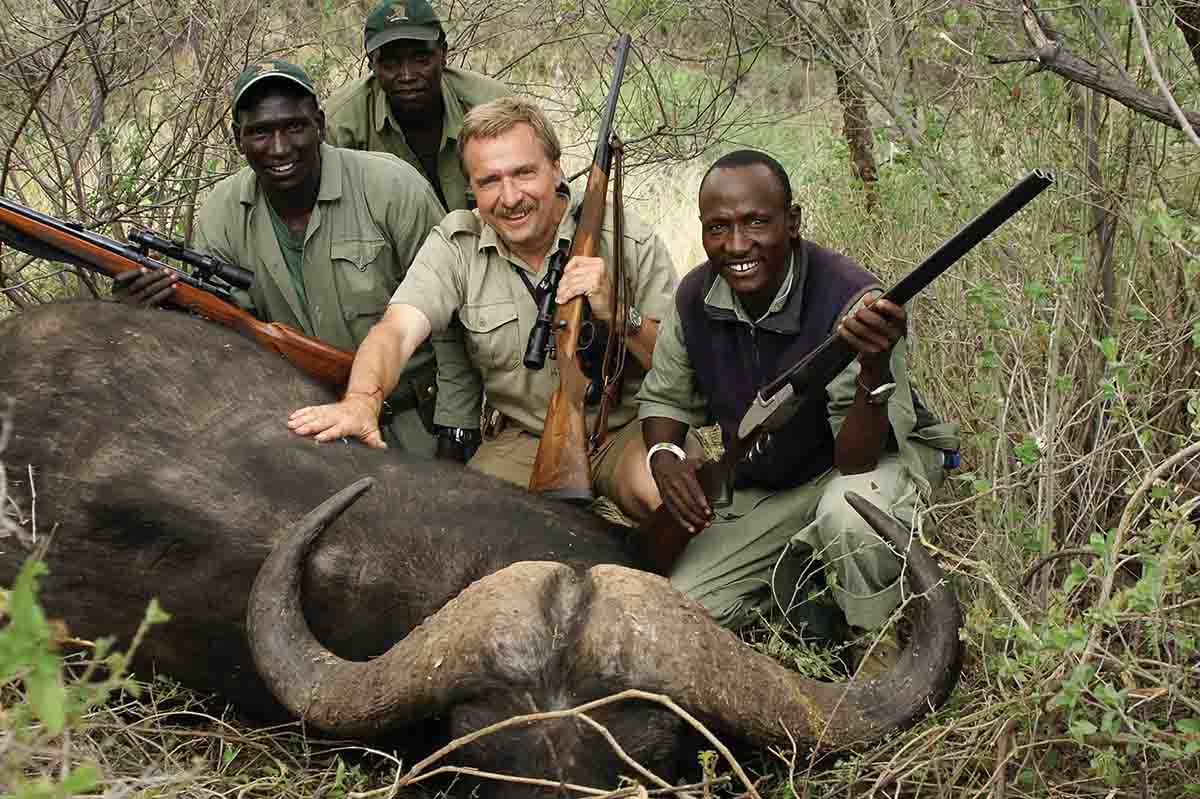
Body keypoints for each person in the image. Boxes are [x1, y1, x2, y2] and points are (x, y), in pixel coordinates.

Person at [287, 97, 682, 523]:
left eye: (524, 173)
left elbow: (680, 367)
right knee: (459, 529)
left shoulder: (626, 236)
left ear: (555, 166)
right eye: (489, 181)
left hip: (627, 429)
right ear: (470, 189)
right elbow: (396, 331)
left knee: (668, 499)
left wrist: (620, 315)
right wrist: (361, 401)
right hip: (525, 437)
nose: (510, 197)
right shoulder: (457, 244)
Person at [637, 150, 959, 673]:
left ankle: (877, 651)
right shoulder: (694, 295)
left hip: (859, 465)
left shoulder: (852, 299)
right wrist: (666, 456)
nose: (736, 245)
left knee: (849, 512)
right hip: (769, 485)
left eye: (756, 222)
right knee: (685, 608)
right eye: (717, 227)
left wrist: (873, 368)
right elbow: (665, 399)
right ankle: (802, 596)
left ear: (793, 222)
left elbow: (857, 459)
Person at [115, 60, 479, 457]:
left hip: (415, 423)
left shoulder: (392, 187)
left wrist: (456, 429)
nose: (279, 148)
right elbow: (222, 335)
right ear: (238, 139)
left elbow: (454, 318)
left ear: (320, 124)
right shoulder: (221, 212)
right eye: (260, 132)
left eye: (293, 127)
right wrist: (149, 318)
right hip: (300, 430)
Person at [324, 0, 510, 213]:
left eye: (421, 59)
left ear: (443, 54)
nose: (407, 76)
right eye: (390, 63)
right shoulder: (341, 124)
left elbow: (546, 188)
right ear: (371, 66)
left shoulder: (490, 104)